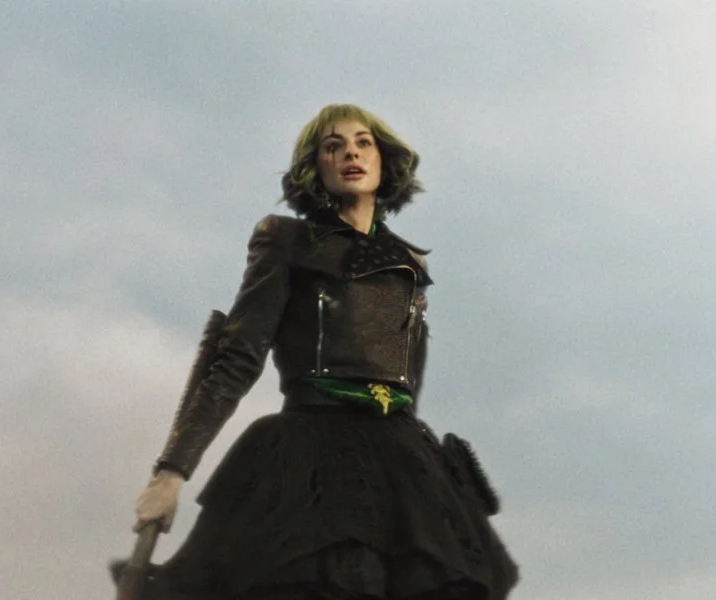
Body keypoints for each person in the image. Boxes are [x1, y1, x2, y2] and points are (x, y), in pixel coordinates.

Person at [131, 104, 519, 600]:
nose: (351, 154)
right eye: (333, 146)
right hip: (313, 452)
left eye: (363, 143)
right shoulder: (286, 240)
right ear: (316, 167)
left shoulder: (409, 263)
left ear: (384, 160)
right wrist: (171, 472)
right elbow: (237, 360)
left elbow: (407, 379)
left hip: (401, 463)